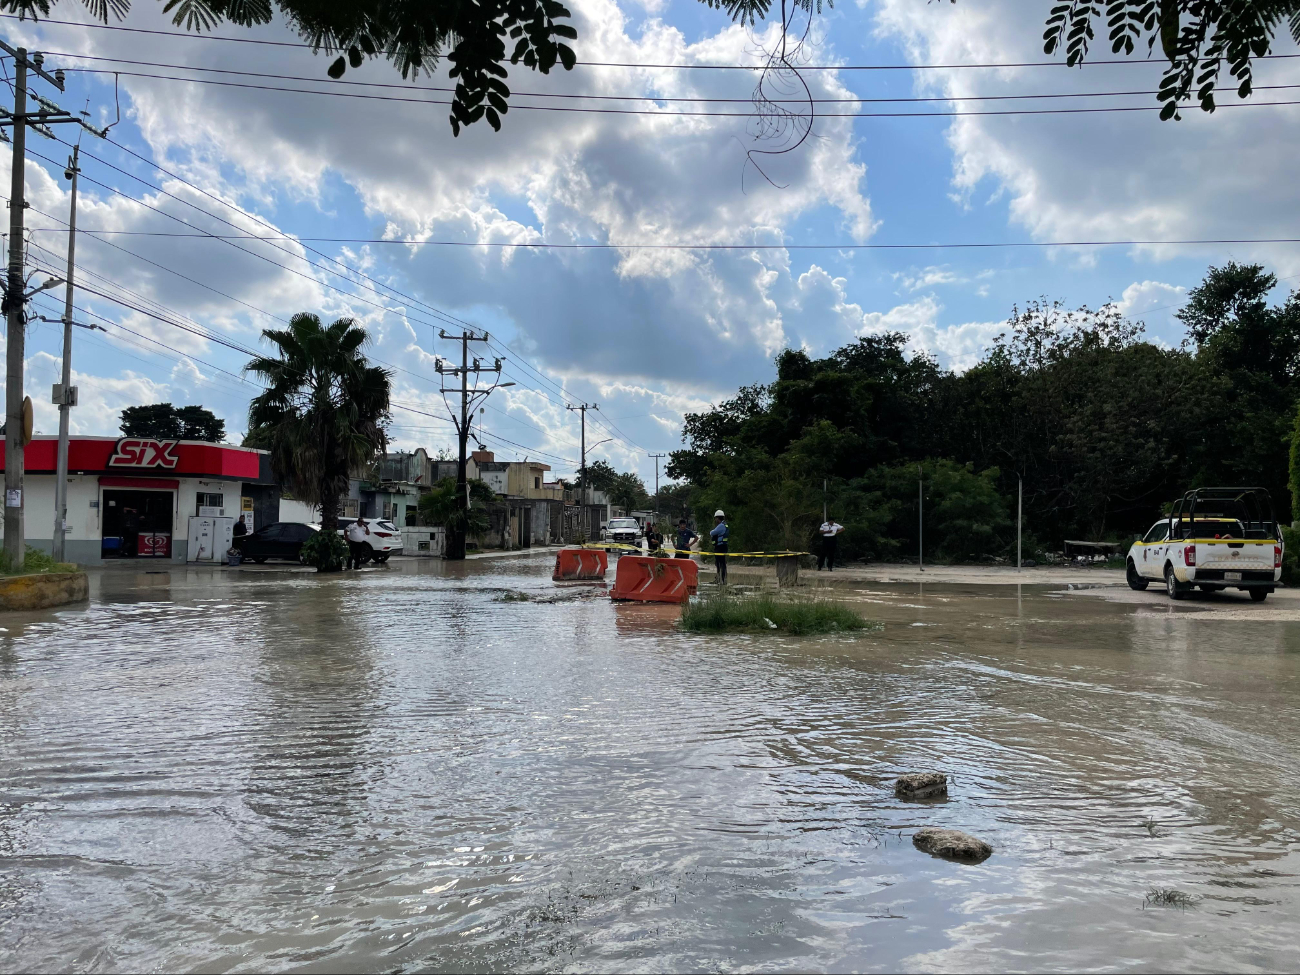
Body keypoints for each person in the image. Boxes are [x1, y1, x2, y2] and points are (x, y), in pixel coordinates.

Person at [710, 509, 729, 584]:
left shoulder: (721, 526)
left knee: (720, 564)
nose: (715, 520)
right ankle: (721, 579)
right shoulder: (725, 524)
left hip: (720, 547)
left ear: (718, 518)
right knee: (721, 563)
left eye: (715, 518)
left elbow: (712, 533)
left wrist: (712, 532)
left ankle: (721, 579)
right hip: (723, 546)